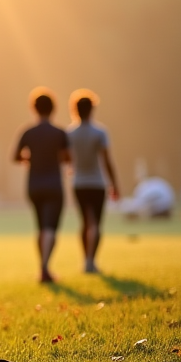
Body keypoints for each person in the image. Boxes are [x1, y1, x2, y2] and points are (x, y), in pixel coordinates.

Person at [13, 88, 70, 283]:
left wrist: (29, 159)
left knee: (41, 227)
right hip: (54, 184)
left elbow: (15, 156)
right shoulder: (60, 133)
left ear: (34, 109)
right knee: (50, 228)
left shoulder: (28, 132)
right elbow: (67, 157)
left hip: (34, 185)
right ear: (53, 109)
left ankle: (43, 266)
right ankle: (45, 267)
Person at [66, 90, 119, 273]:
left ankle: (85, 259)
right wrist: (114, 184)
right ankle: (91, 260)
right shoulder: (99, 132)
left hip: (79, 183)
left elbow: (66, 158)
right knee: (95, 223)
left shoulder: (70, 133)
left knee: (85, 222)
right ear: (92, 109)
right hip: (97, 183)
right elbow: (106, 160)